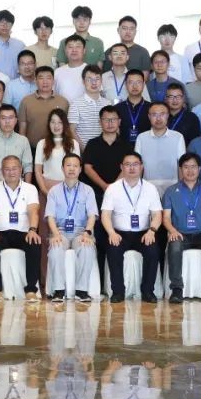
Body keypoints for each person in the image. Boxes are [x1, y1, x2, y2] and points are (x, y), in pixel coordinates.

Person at [101, 152, 163, 303]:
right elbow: (105, 215)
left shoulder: (150, 188)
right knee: (113, 249)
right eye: (127, 165)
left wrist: (152, 231)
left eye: (135, 164)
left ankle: (148, 291)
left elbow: (157, 214)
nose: (132, 168)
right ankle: (118, 292)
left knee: (153, 251)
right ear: (121, 167)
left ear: (141, 167)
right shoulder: (113, 188)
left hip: (144, 233)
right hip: (119, 233)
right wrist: (111, 232)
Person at [162, 153, 201, 304]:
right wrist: (172, 231)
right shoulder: (171, 191)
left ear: (199, 169)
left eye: (193, 167)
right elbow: (166, 217)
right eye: (186, 167)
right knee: (175, 245)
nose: (190, 171)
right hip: (180, 233)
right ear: (180, 169)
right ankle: (176, 289)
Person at [79, 106, 131, 282]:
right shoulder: (93, 144)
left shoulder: (126, 145)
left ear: (119, 122)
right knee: (100, 237)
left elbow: (129, 166)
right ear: (100, 122)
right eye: (106, 119)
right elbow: (87, 168)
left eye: (113, 119)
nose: (110, 123)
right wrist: (104, 186)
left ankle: (116, 281)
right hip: (97, 196)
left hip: (121, 197)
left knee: (117, 234)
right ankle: (100, 281)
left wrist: (113, 187)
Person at [0, 155, 42, 302]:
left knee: (34, 243)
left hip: (24, 232)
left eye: (14, 168)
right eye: (7, 169)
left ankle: (31, 290)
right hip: (0, 232)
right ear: (2, 171)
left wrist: (33, 230)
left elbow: (33, 211)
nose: (11, 172)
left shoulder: (30, 188)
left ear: (21, 169)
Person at [45, 153, 98, 302]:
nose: (72, 169)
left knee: (87, 247)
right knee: (55, 247)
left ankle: (82, 290)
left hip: (81, 231)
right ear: (62, 168)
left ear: (80, 169)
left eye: (75, 166)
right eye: (68, 165)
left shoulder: (88, 190)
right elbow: (50, 216)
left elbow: (92, 215)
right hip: (60, 231)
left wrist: (87, 232)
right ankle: (58, 290)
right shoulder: (54, 191)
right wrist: (55, 234)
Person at [134, 102, 186, 195]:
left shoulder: (178, 137)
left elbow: (181, 165)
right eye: (154, 115)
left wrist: (181, 189)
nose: (158, 118)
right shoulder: (141, 138)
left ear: (168, 115)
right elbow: (137, 165)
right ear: (149, 116)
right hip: (147, 188)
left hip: (172, 187)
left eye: (162, 114)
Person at [34, 109, 81, 196]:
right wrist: (44, 190)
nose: (56, 126)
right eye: (53, 122)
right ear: (49, 124)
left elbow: (76, 169)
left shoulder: (74, 143)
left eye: (60, 122)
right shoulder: (41, 143)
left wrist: (70, 188)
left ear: (65, 124)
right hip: (47, 187)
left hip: (69, 187)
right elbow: (38, 170)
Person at [18, 66, 68, 147]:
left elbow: (67, 128)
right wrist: (23, 148)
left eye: (48, 78)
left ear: (53, 81)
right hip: (32, 148)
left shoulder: (63, 102)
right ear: (35, 80)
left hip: (57, 147)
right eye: (41, 78)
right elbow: (22, 128)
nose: (45, 82)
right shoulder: (26, 101)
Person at [67, 65, 111, 146]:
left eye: (97, 79)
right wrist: (84, 150)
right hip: (84, 150)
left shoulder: (108, 104)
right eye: (89, 79)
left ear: (101, 81)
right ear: (83, 82)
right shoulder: (75, 104)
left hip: (105, 149)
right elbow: (72, 131)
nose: (94, 83)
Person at [114, 69, 151, 143]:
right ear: (125, 84)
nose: (135, 86)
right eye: (131, 82)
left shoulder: (151, 108)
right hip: (123, 148)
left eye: (138, 82)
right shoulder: (117, 109)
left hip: (145, 148)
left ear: (144, 84)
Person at [53, 34, 91, 102]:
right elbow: (53, 95)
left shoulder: (91, 70)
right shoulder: (57, 72)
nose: (74, 50)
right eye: (70, 47)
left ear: (84, 50)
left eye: (78, 47)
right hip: (63, 108)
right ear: (65, 51)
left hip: (86, 108)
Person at [0, 9, 24, 78]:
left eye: (8, 22)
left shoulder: (20, 46)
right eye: (1, 22)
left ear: (12, 25)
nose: (4, 25)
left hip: (15, 84)